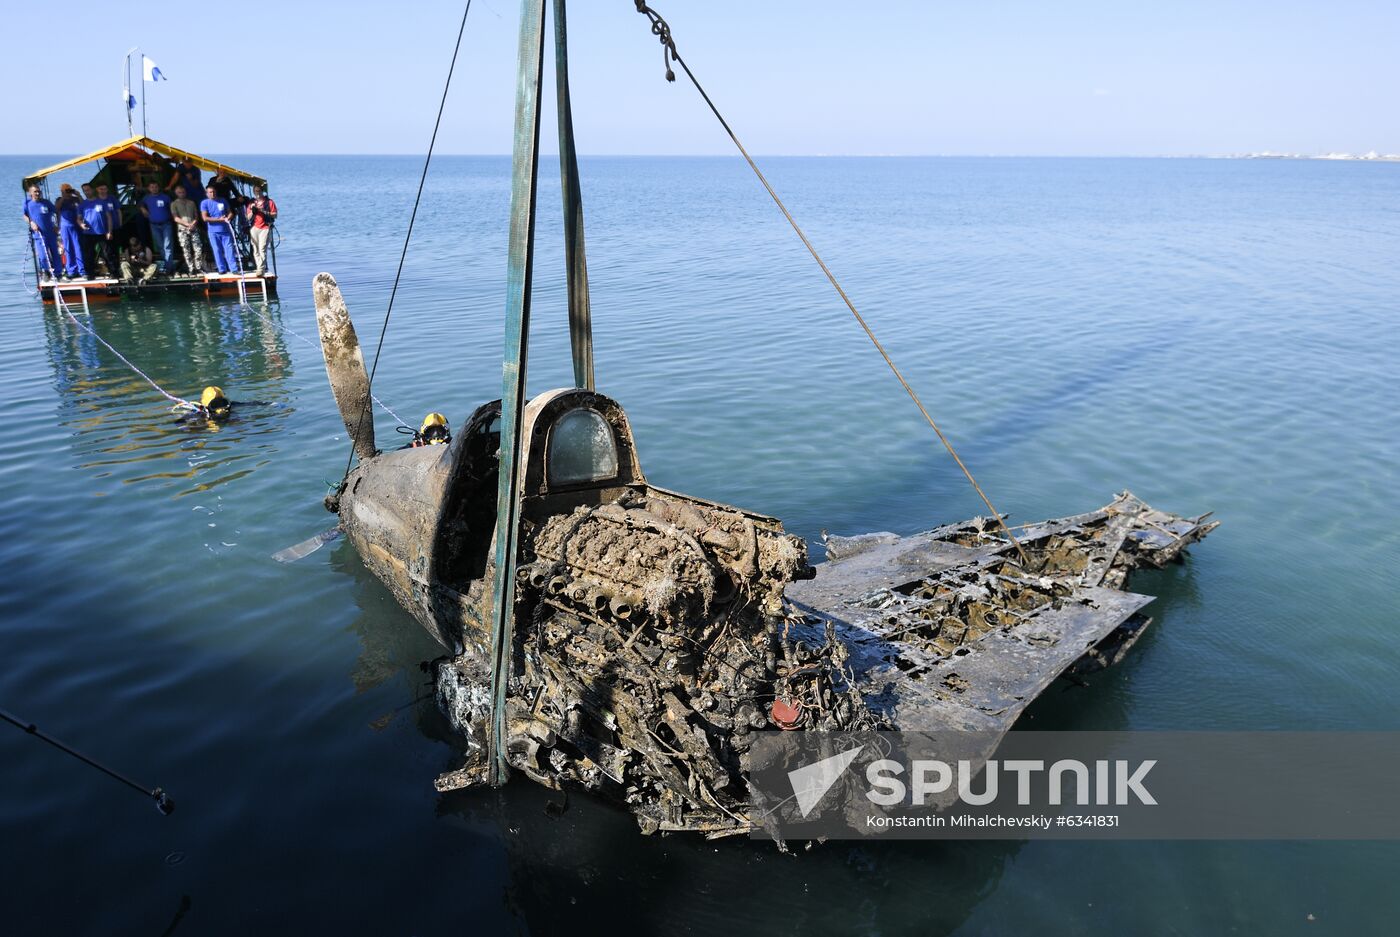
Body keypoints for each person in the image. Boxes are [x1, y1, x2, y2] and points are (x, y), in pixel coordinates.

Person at [21, 185, 61, 280]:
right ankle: (46, 271)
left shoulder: (46, 202)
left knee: (55, 254)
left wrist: (57, 225)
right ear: (30, 193)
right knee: (43, 256)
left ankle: (58, 273)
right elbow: (24, 216)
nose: (37, 193)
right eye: (35, 191)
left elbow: (56, 212)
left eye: (39, 191)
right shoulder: (28, 203)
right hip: (39, 234)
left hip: (51, 233)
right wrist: (31, 222)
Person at [200, 184, 238, 275]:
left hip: (225, 230)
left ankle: (234, 269)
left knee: (229, 249)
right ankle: (222, 269)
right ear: (207, 193)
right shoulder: (204, 203)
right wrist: (219, 219)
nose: (212, 194)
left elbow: (230, 213)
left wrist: (228, 217)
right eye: (210, 192)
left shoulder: (222, 200)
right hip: (213, 232)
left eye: (213, 192)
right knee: (217, 250)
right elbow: (205, 218)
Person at [85, 183, 120, 277]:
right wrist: (81, 224)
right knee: (91, 253)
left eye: (104, 189)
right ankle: (91, 273)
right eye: (101, 189)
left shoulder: (107, 200)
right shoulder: (85, 203)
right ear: (97, 190)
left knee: (109, 252)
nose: (103, 191)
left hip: (105, 231)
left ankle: (114, 271)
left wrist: (110, 230)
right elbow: (80, 217)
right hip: (91, 232)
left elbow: (110, 216)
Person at [139, 182, 176, 274]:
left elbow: (173, 208)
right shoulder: (146, 198)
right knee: (160, 246)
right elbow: (140, 204)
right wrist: (143, 209)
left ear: (159, 188)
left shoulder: (165, 197)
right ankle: (168, 266)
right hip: (154, 225)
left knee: (167, 246)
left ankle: (168, 268)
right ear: (149, 188)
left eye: (156, 187)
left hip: (166, 224)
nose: (154, 188)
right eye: (152, 187)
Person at [170, 185, 205, 275]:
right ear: (176, 193)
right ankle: (191, 268)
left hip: (193, 228)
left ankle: (198, 267)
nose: (181, 194)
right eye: (179, 192)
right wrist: (187, 224)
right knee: (186, 250)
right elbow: (175, 218)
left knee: (198, 248)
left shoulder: (191, 203)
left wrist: (193, 223)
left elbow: (196, 215)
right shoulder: (174, 204)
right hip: (182, 229)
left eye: (183, 192)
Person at [54, 183, 86, 279]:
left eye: (69, 190)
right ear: (62, 191)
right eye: (66, 191)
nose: (68, 192)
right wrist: (63, 197)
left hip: (76, 225)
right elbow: (56, 209)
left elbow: (84, 205)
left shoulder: (75, 199)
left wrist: (79, 195)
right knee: (68, 248)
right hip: (65, 227)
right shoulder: (59, 200)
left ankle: (82, 270)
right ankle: (71, 270)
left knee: (78, 247)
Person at [244, 186, 277, 276]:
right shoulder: (251, 203)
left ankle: (260, 269)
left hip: (265, 227)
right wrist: (253, 211)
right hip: (254, 227)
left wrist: (264, 211)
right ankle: (260, 267)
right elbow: (247, 217)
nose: (257, 193)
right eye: (255, 191)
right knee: (255, 250)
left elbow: (275, 215)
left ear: (262, 191)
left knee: (262, 249)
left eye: (259, 191)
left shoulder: (269, 202)